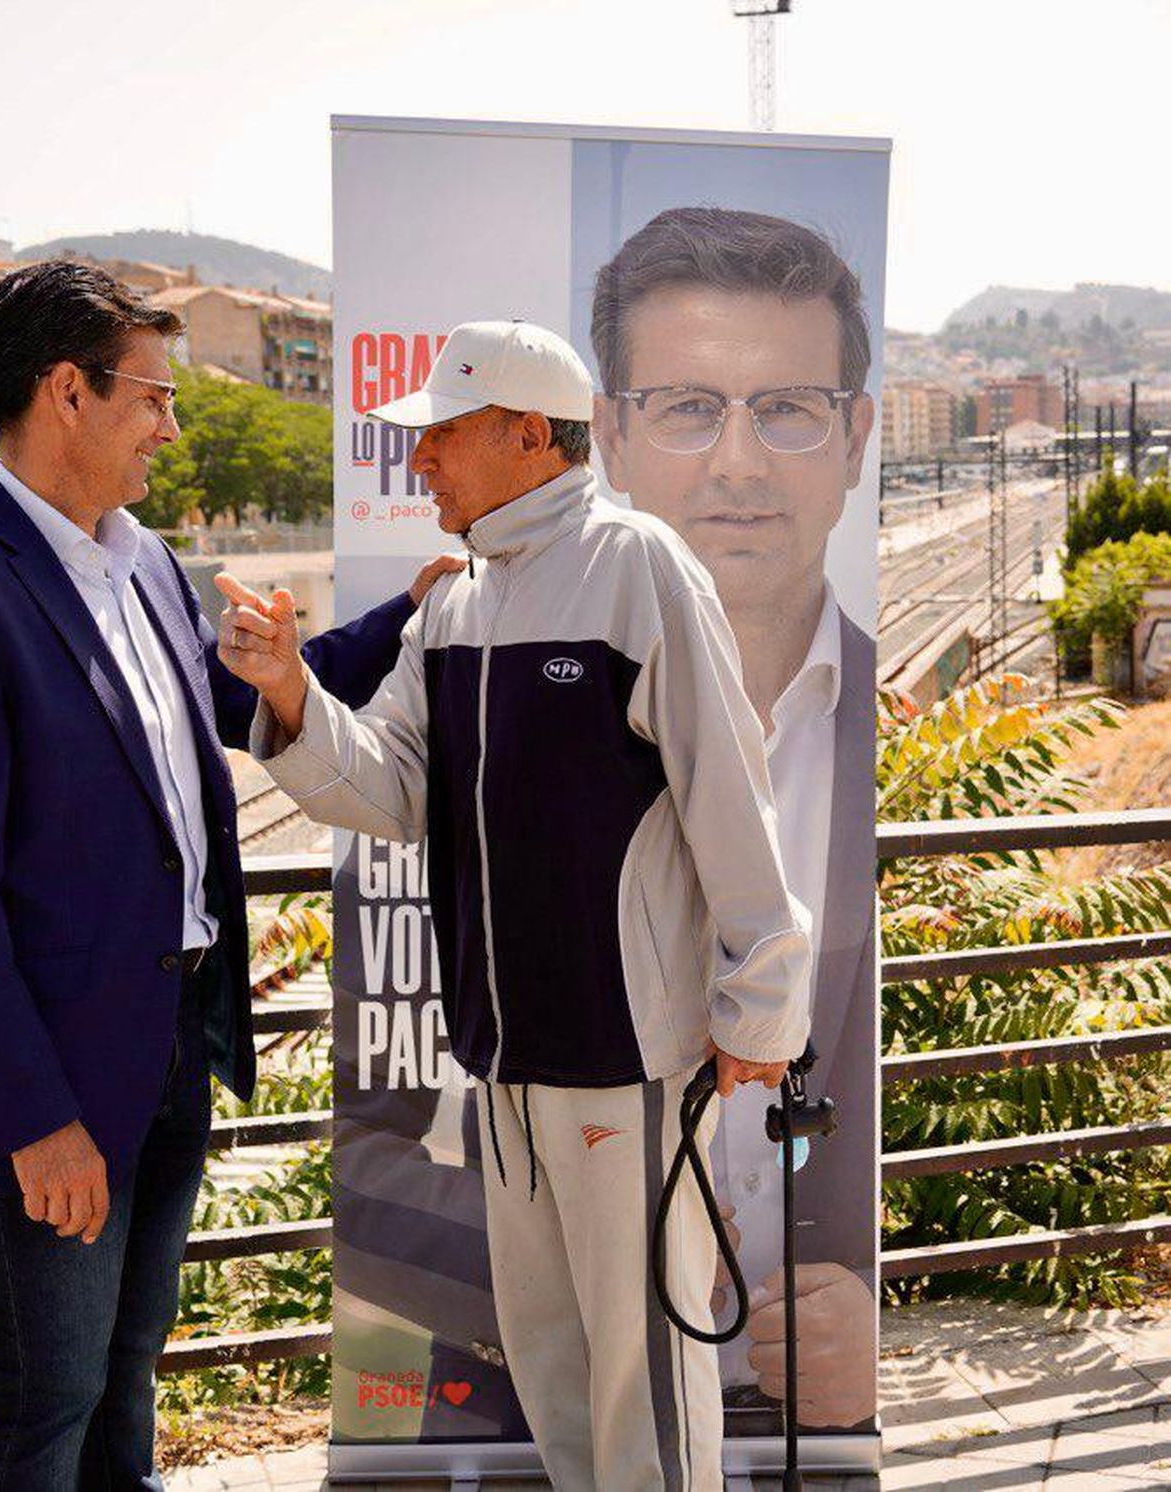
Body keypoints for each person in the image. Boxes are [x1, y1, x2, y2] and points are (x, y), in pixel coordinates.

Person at [0, 259, 456, 1489]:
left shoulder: (142, 566)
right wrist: (31, 1120)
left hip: (168, 1036)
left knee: (126, 1362)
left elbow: (231, 696)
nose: (173, 428)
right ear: (66, 392)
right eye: (154, 397)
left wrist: (401, 614)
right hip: (53, 1078)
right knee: (47, 1388)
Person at [218, 320, 811, 1491]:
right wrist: (287, 688)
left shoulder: (636, 565)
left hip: (624, 1052)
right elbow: (385, 787)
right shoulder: (455, 603)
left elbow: (730, 791)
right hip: (501, 1060)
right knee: (551, 1358)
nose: (420, 464)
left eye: (440, 437)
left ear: (528, 433)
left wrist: (761, 1005)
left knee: (641, 1364)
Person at [590, 205, 878, 1429]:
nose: (740, 465)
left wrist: (869, 1297)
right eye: (688, 408)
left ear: (857, 438)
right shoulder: (524, 711)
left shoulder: (886, 722)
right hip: (597, 1370)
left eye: (789, 408)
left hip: (805, 1390)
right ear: (607, 437)